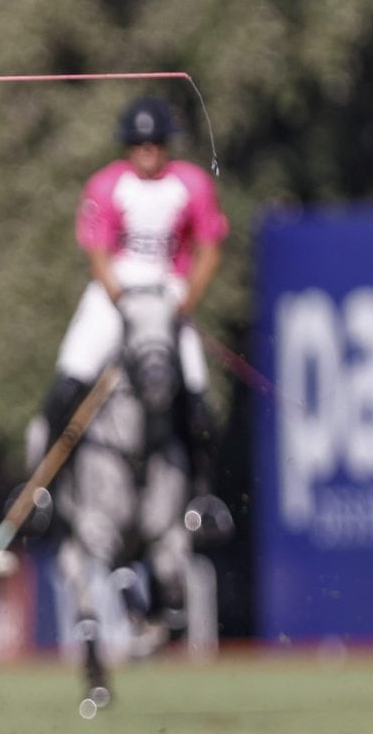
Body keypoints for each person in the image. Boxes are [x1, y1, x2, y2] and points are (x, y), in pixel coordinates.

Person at [35, 94, 232, 535]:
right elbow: (98, 252)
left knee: (197, 398)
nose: (148, 151)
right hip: (114, 295)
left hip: (169, 296)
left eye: (156, 142)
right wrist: (121, 300)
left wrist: (186, 301)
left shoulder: (193, 184)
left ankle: (202, 501)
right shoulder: (106, 185)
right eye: (140, 143)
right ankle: (43, 493)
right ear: (127, 146)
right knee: (68, 384)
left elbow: (209, 248)